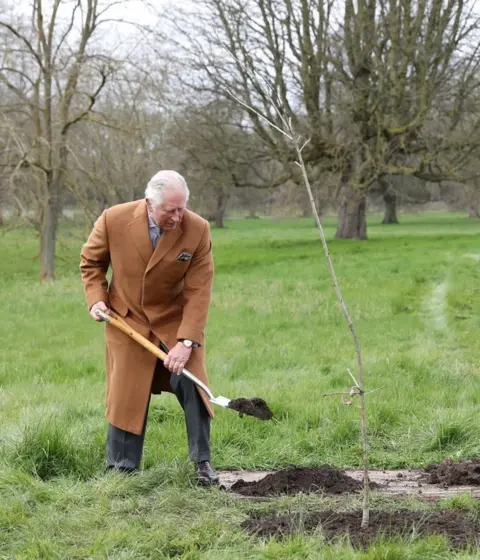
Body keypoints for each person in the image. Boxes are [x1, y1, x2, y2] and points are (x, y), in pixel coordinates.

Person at [80, 170, 218, 485]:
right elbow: (91, 263)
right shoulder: (113, 220)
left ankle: (202, 465)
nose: (177, 216)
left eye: (181, 208)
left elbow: (200, 289)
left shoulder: (197, 230)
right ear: (148, 203)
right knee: (126, 391)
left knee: (193, 383)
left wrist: (187, 342)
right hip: (125, 317)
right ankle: (121, 469)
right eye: (170, 209)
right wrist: (96, 299)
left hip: (174, 321)